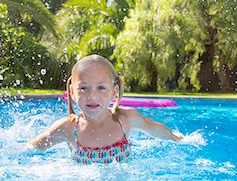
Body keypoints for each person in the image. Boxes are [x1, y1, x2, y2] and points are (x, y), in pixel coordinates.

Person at [29, 54, 183, 164]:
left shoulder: (125, 119)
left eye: (101, 87)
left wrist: (177, 139)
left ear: (114, 92)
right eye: (83, 88)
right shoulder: (68, 128)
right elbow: (35, 146)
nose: (92, 95)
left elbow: (155, 129)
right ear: (72, 92)